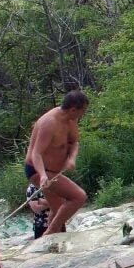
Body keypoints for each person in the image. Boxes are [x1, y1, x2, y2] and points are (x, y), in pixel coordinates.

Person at [25, 90, 89, 235]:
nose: (83, 114)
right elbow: (37, 153)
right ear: (73, 109)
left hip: (54, 170)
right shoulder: (49, 123)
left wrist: (71, 159)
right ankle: (51, 232)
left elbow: (74, 143)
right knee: (79, 196)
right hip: (38, 170)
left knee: (58, 208)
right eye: (83, 111)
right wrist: (42, 175)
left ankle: (50, 236)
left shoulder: (71, 120)